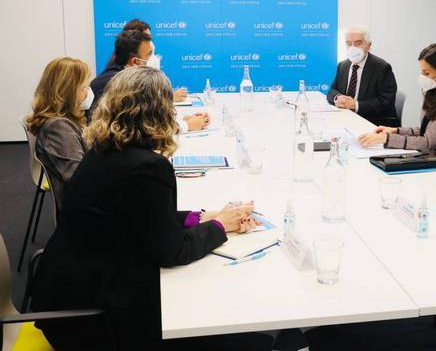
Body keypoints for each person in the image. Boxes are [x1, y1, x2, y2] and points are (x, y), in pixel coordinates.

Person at [31, 67, 269, 350]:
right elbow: (171, 251)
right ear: (160, 111)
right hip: (96, 320)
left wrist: (204, 216)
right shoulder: (147, 167)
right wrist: (221, 226)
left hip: (69, 295)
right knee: (243, 337)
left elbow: (143, 217)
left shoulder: (106, 149)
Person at [358, 43, 436, 178]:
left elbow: (427, 142)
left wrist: (386, 138)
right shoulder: (435, 90)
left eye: (427, 72)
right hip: (428, 158)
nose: (422, 76)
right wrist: (395, 130)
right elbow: (427, 129)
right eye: (421, 71)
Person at [90, 29, 208, 132]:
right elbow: (142, 130)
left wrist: (182, 119)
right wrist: (186, 125)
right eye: (149, 55)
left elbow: (149, 117)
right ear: (135, 62)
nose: (154, 59)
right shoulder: (114, 85)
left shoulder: (127, 77)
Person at [26, 57, 93, 211]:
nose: (88, 92)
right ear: (68, 91)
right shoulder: (59, 128)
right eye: (84, 87)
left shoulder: (66, 120)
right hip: (84, 209)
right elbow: (80, 178)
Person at [326, 26, 398, 126]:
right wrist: (337, 98)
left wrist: (356, 105)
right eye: (349, 44)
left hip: (372, 122)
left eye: (358, 43)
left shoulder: (382, 67)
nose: (353, 48)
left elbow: (386, 101)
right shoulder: (342, 65)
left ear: (368, 45)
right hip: (345, 118)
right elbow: (331, 91)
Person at [104, 19, 188, 103]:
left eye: (150, 38)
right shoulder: (114, 82)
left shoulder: (133, 78)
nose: (149, 42)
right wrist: (168, 99)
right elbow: (142, 107)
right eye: (145, 37)